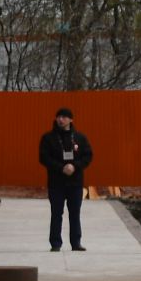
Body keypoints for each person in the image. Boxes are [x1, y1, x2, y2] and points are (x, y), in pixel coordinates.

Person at [39, 107, 94, 252]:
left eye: (64, 117)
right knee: (56, 212)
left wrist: (75, 166)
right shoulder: (48, 138)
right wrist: (60, 167)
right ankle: (55, 243)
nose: (60, 119)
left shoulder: (79, 138)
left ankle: (76, 243)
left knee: (75, 213)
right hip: (56, 182)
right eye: (58, 116)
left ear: (71, 120)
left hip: (75, 183)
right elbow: (44, 158)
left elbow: (88, 156)